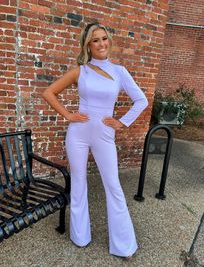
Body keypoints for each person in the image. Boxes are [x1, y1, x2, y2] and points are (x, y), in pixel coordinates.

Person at [42, 22, 148, 258]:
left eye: (104, 38)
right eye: (95, 40)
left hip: (103, 134)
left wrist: (122, 122)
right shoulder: (81, 70)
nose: (101, 44)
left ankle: (123, 245)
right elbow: (49, 92)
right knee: (79, 183)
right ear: (88, 45)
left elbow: (141, 100)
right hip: (78, 134)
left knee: (113, 186)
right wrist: (69, 115)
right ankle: (80, 237)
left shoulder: (120, 72)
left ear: (109, 41)